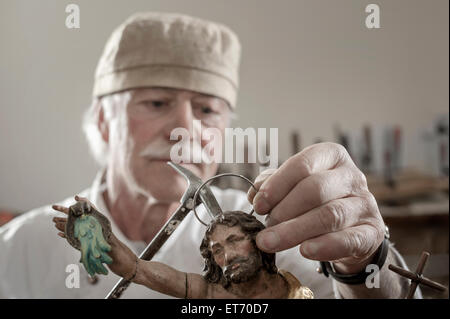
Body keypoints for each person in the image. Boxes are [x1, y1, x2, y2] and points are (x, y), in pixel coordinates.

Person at [0, 12, 419, 299]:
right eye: (158, 103)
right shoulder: (21, 247)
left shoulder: (268, 232)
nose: (186, 130)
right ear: (104, 122)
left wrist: (364, 261)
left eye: (207, 110)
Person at [53, 198, 314, 299]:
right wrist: (99, 234)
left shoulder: (297, 293)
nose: (228, 255)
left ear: (259, 240)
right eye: (218, 251)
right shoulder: (209, 294)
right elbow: (137, 269)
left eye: (235, 241)